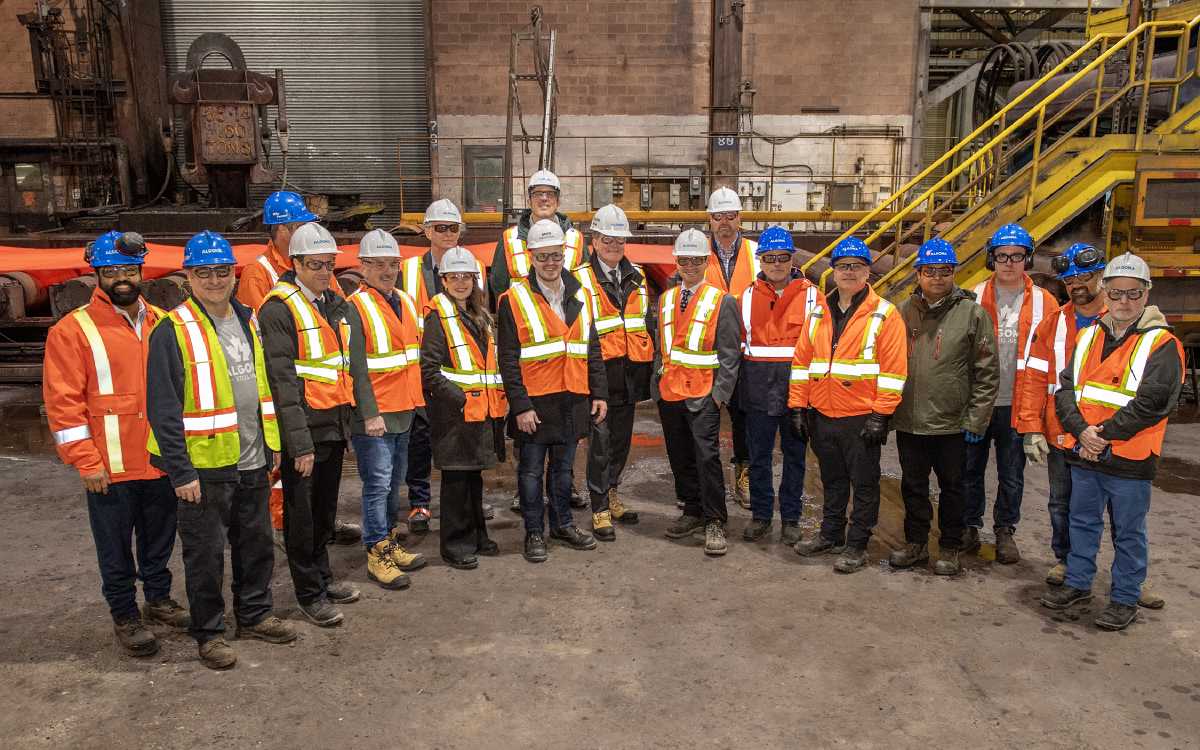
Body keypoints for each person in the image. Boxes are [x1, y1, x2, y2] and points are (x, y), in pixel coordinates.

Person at [146, 231, 296, 669]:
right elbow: (163, 407)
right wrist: (181, 472)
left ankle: (253, 615)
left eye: (222, 271)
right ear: (188, 276)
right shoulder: (171, 330)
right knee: (205, 556)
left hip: (251, 457)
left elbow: (262, 386)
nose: (214, 280)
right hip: (203, 466)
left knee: (256, 545)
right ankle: (209, 633)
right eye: (204, 272)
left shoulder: (248, 318)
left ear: (234, 274)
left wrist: (272, 445)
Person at [44, 231, 189, 656]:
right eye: (111, 272)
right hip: (109, 465)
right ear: (97, 276)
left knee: (159, 539)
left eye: (129, 270)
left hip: (159, 459)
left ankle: (159, 600)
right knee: (114, 547)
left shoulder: (165, 321)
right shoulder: (72, 331)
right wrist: (85, 461)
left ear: (141, 272)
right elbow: (63, 403)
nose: (122, 279)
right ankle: (125, 613)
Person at [1042, 253, 1184, 631]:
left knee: (1128, 532)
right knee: (1082, 523)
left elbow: (1152, 404)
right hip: (1087, 453)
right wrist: (1083, 433)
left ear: (1147, 294)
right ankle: (1078, 583)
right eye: (1117, 293)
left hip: (1129, 459)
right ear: (1105, 292)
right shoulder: (1088, 336)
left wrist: (1099, 437)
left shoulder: (1163, 344)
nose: (1124, 302)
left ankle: (1124, 598)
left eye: (1134, 294)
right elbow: (1066, 391)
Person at [236, 190, 361, 549]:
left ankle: (317, 531)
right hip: (292, 396)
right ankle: (285, 527)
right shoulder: (259, 274)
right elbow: (266, 338)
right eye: (298, 225)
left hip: (328, 402)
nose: (304, 229)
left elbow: (335, 310)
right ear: (280, 230)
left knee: (319, 488)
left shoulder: (317, 264)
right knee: (292, 480)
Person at [258, 221, 360, 626]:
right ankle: (309, 592)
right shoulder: (278, 309)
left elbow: (338, 369)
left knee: (323, 511)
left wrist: (345, 424)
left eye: (329, 264)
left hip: (332, 424)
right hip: (305, 433)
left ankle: (322, 575)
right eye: (315, 264)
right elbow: (283, 382)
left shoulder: (329, 303)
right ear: (295, 263)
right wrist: (298, 445)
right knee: (301, 515)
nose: (323, 271)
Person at [789, 237, 907, 573]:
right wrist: (798, 407)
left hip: (861, 418)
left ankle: (856, 544)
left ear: (868, 272)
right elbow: (801, 364)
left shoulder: (884, 314)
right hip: (823, 414)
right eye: (843, 266)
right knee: (832, 480)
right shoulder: (818, 313)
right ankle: (830, 535)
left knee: (865, 485)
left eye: (856, 266)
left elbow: (894, 371)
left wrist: (880, 415)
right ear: (834, 272)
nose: (849, 272)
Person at [496, 219, 608, 563]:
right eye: (543, 256)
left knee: (563, 471)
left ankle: (562, 524)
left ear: (564, 256)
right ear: (531, 256)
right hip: (535, 403)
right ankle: (533, 532)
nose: (550, 263)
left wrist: (598, 393)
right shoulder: (512, 299)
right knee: (529, 472)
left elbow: (592, 349)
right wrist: (520, 405)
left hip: (573, 398)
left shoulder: (581, 294)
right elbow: (508, 359)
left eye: (555, 256)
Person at [890, 238, 997, 575]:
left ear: (954, 273)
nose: (937, 278)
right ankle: (916, 544)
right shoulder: (902, 314)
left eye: (945, 271)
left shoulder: (972, 314)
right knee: (913, 487)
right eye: (930, 271)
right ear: (918, 274)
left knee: (953, 488)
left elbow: (987, 371)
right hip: (911, 421)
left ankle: (950, 547)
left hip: (952, 423)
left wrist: (976, 421)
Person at [489, 171, 588, 512]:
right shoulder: (509, 239)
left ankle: (565, 488)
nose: (544, 199)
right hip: (525, 335)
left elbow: (581, 283)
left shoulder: (575, 239)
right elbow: (498, 283)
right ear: (529, 198)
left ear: (558, 199)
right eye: (538, 194)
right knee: (528, 434)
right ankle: (525, 492)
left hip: (565, 342)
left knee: (565, 432)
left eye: (550, 194)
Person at [964, 223, 1059, 563]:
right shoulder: (974, 295)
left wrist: (1043, 413)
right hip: (980, 401)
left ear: (1026, 259)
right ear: (992, 259)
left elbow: (1052, 355)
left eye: (1016, 256)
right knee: (969, 470)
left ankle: (1005, 531)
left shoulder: (1046, 302)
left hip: (1018, 404)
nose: (1008, 263)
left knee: (1011, 473)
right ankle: (970, 526)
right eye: (1002, 256)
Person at [1017, 243, 1107, 584]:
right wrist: (1031, 428)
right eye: (1070, 280)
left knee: (1117, 509)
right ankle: (1066, 560)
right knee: (1061, 503)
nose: (1077, 285)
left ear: (1101, 275)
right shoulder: (1054, 323)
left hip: (1109, 433)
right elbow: (1034, 378)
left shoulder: (1120, 321)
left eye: (1084, 276)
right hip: (1061, 431)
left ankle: (1128, 576)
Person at [345, 229, 428, 590]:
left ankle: (389, 540)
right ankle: (376, 551)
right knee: (377, 485)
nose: (387, 270)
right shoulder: (355, 306)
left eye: (392, 263)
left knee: (395, 482)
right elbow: (356, 366)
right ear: (363, 266)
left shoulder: (406, 302)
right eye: (378, 264)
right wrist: (368, 413)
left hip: (404, 409)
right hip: (375, 416)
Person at [398, 199, 488, 531]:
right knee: (419, 439)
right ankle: (420, 502)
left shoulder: (472, 265)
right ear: (426, 231)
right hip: (423, 367)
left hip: (461, 372)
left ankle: (470, 502)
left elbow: (482, 316)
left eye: (453, 228)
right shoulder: (407, 270)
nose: (448, 234)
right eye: (440, 228)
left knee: (463, 439)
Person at [420, 247, 508, 569]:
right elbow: (429, 372)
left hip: (480, 413)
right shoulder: (437, 317)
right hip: (455, 416)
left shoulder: (480, 316)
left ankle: (477, 534)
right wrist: (462, 400)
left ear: (476, 279)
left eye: (466, 277)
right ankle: (454, 544)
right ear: (443, 280)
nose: (461, 282)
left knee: (473, 480)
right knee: (456, 483)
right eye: (454, 276)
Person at [658, 228, 743, 557]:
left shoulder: (722, 302)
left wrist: (719, 395)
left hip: (704, 394)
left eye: (696, 259)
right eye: (684, 259)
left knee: (706, 458)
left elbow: (730, 354)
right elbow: (662, 348)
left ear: (706, 262)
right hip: (670, 393)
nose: (690, 265)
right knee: (679, 457)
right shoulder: (666, 300)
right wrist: (657, 382)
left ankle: (714, 520)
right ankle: (692, 511)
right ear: (676, 261)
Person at [736, 226, 821, 545]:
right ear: (760, 261)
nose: (775, 264)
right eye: (769, 258)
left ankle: (790, 518)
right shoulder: (746, 297)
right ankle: (760, 516)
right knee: (758, 458)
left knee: (795, 457)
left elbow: (819, 346)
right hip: (757, 393)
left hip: (796, 393)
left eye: (781, 258)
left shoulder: (812, 295)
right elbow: (740, 345)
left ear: (791, 258)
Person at [575, 204, 653, 540]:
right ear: (594, 239)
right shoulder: (578, 278)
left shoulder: (637, 274)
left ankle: (612, 491)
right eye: (607, 239)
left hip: (629, 373)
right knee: (600, 443)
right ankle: (599, 508)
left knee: (620, 442)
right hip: (599, 374)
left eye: (619, 239)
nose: (614, 245)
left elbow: (644, 322)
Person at [704, 186, 760, 509]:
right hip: (709, 352)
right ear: (709, 220)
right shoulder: (699, 251)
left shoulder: (754, 253)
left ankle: (744, 475)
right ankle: (705, 482)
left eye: (730, 216)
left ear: (740, 218)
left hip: (745, 351)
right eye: (718, 216)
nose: (724, 222)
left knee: (744, 421)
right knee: (706, 421)